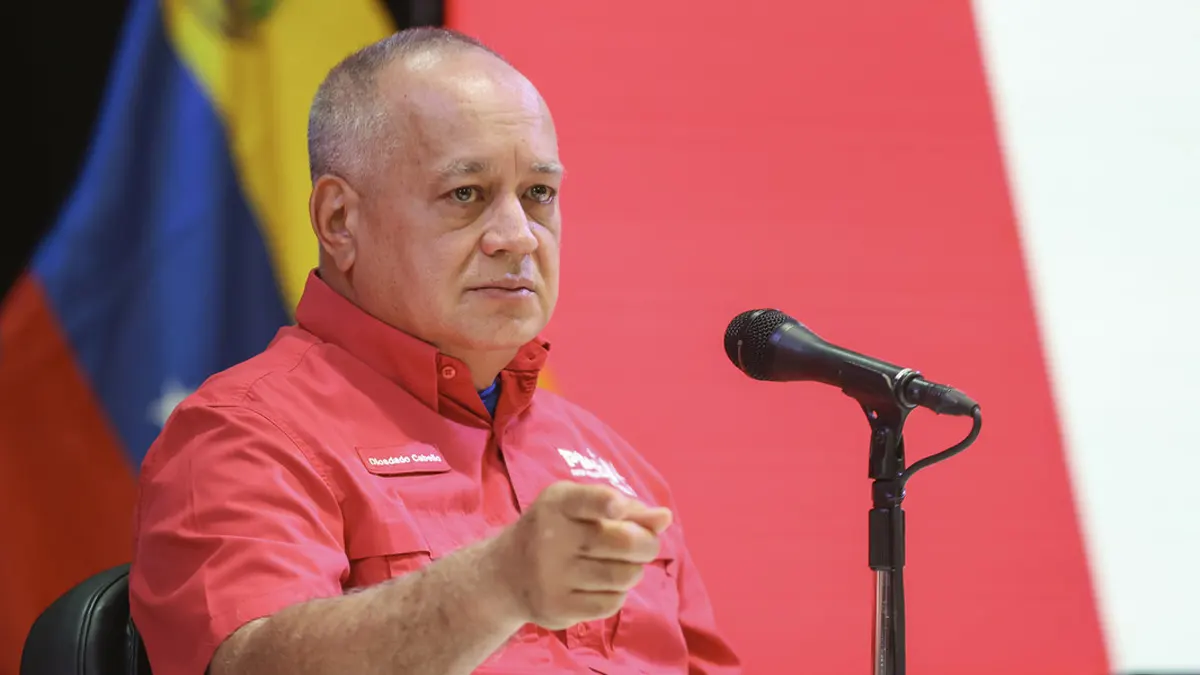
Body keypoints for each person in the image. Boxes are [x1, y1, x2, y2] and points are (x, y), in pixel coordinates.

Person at [129, 27, 741, 675]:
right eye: (466, 194)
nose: (518, 237)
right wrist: (498, 585)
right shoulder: (243, 434)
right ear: (339, 220)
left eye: (538, 193)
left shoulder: (613, 463)